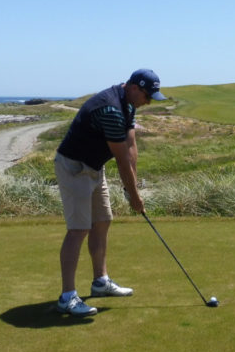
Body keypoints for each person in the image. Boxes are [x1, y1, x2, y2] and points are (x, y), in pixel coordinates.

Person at [53, 68, 167, 316]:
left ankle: (100, 282)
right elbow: (121, 159)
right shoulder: (111, 109)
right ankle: (67, 297)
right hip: (74, 167)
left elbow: (131, 146)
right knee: (79, 229)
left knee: (103, 221)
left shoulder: (128, 104)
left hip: (94, 167)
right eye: (147, 95)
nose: (148, 101)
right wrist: (135, 197)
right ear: (135, 87)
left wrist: (131, 188)